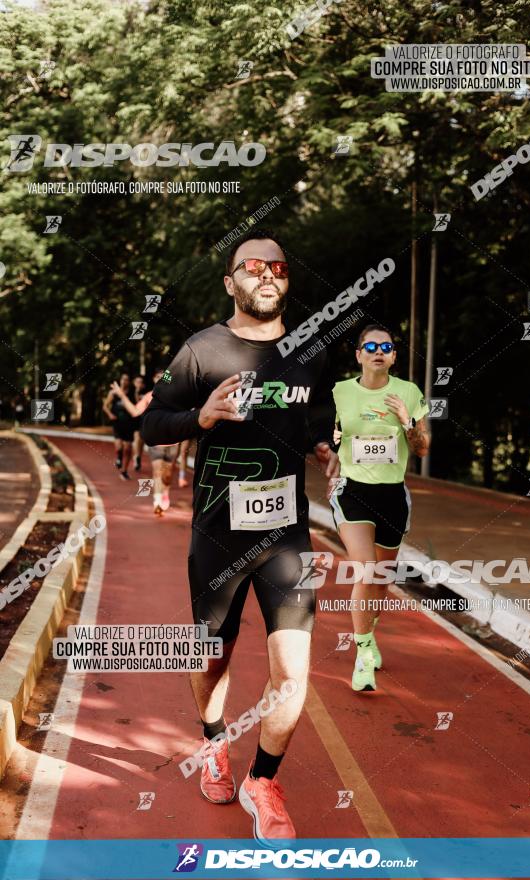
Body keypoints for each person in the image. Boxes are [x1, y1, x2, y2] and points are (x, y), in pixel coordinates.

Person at [141, 229, 338, 845]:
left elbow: (318, 422)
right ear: (231, 282)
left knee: (294, 669)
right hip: (218, 535)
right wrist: (198, 418)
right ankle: (213, 741)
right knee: (213, 654)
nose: (266, 274)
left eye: (277, 266)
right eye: (251, 266)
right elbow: (151, 425)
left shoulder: (310, 352)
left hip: (287, 537)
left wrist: (328, 450)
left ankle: (264, 780)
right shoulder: (201, 350)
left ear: (287, 279)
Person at [329, 324, 430, 692]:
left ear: (393, 356)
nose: (378, 351)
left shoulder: (409, 392)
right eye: (369, 346)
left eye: (385, 346)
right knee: (366, 572)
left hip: (392, 495)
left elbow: (421, 448)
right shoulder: (340, 392)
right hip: (353, 492)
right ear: (358, 354)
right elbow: (329, 435)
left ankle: (369, 636)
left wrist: (407, 420)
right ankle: (363, 652)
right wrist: (329, 451)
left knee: (382, 581)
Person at [111, 371, 179, 515]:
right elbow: (135, 411)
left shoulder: (176, 395)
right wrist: (122, 395)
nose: (160, 379)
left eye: (163, 377)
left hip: (173, 442)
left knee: (167, 475)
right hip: (155, 441)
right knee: (157, 470)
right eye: (157, 377)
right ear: (154, 380)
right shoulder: (149, 396)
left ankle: (165, 491)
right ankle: (157, 500)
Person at [103, 372, 135, 480]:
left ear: (129, 382)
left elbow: (137, 405)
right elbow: (105, 406)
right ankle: (119, 457)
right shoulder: (113, 393)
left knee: (128, 448)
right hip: (117, 423)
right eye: (123, 379)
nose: (124, 381)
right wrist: (110, 414)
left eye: (127, 380)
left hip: (129, 424)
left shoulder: (131, 393)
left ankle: (124, 471)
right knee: (119, 446)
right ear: (120, 380)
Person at [132, 374, 147, 472]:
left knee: (140, 442)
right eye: (137, 382)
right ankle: (136, 457)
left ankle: (138, 458)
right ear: (134, 383)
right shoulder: (129, 392)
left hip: (142, 419)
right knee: (136, 439)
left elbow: (139, 405)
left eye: (140, 382)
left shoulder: (146, 394)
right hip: (132, 420)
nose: (139, 384)